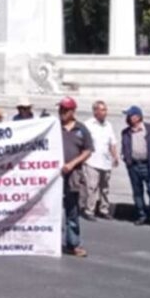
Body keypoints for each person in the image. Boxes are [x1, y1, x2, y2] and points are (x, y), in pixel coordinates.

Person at [120, 105, 150, 228]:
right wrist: (125, 158)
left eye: (130, 115)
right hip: (134, 166)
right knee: (137, 193)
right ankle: (141, 215)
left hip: (149, 165)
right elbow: (123, 148)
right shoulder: (126, 132)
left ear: (138, 117)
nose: (129, 118)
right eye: (128, 116)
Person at [59, 97, 92, 257]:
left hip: (72, 174)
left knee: (72, 210)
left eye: (65, 110)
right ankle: (50, 242)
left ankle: (73, 243)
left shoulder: (81, 129)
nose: (62, 113)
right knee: (51, 209)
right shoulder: (54, 127)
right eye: (60, 109)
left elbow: (88, 150)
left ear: (73, 112)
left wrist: (72, 164)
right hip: (55, 175)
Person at [82, 100, 118, 221]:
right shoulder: (87, 125)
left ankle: (104, 209)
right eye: (102, 110)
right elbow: (82, 142)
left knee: (105, 188)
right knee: (92, 187)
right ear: (95, 111)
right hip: (92, 161)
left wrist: (115, 156)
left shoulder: (108, 125)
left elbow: (112, 143)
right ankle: (89, 210)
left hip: (105, 162)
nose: (105, 112)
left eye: (105, 110)